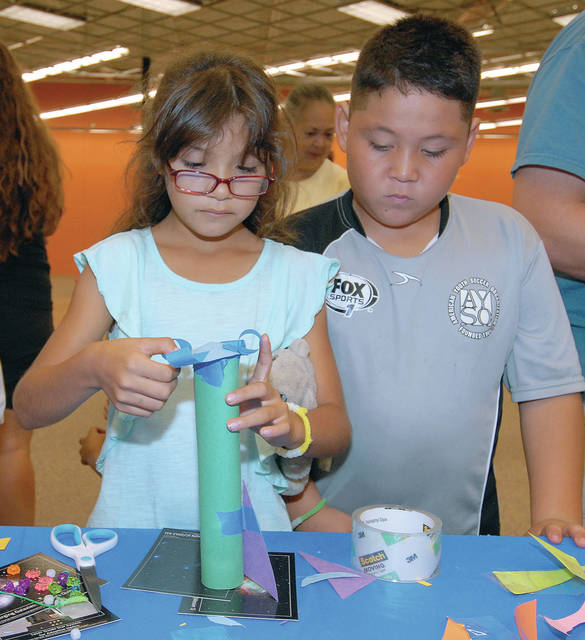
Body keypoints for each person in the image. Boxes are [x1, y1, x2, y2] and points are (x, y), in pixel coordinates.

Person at [13, 51, 351, 531]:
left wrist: (294, 425)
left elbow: (336, 427)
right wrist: (93, 367)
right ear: (160, 161)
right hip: (133, 534)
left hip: (253, 547)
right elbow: (28, 405)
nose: (220, 188)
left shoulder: (297, 276)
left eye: (244, 169)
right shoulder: (118, 266)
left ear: (270, 170)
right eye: (196, 165)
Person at [284, 14, 585, 544]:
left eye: (433, 150)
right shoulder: (290, 248)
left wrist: (556, 514)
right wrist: (305, 511)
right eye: (380, 144)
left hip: (463, 541)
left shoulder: (510, 241)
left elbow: (550, 390)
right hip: (316, 537)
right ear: (346, 126)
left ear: (469, 141)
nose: (404, 170)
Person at [0, 42, 64, 526]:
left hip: (21, 289)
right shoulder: (29, 147)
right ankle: (12, 561)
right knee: (14, 441)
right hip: (26, 298)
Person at [284, 83, 349, 214]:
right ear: (288, 127)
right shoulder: (267, 181)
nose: (320, 143)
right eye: (311, 133)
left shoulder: (344, 185)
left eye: (328, 134)